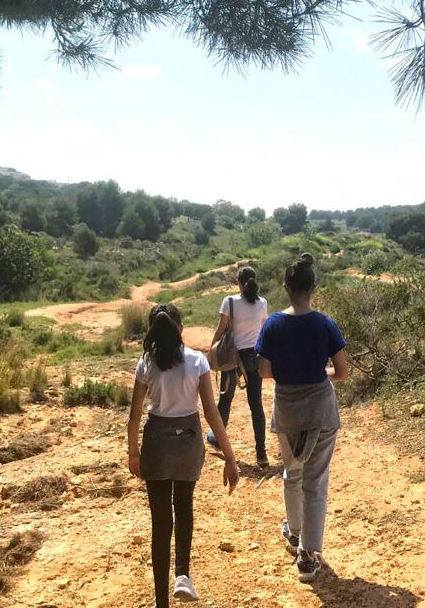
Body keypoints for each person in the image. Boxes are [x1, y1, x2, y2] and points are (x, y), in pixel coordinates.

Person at [128, 304, 239, 607]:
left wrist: (133, 452)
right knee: (184, 506)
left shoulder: (146, 364)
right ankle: (183, 575)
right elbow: (211, 413)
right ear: (180, 329)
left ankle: (160, 601)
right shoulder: (197, 361)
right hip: (188, 442)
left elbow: (135, 415)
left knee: (160, 522)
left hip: (157, 444)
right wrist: (229, 457)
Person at [256, 253, 350, 583]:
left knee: (291, 471)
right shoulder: (325, 324)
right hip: (321, 411)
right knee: (315, 482)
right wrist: (318, 371)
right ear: (313, 287)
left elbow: (265, 372)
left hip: (288, 410)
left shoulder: (272, 325)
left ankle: (294, 532)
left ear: (286, 287)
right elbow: (341, 372)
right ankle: (308, 557)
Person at [205, 266, 270, 466]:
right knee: (256, 404)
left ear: (238, 283)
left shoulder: (230, 302)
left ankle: (219, 440)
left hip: (231, 357)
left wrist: (211, 351)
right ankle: (261, 454)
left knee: (225, 399)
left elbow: (220, 330)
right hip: (254, 357)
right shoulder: (262, 303)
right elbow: (263, 329)